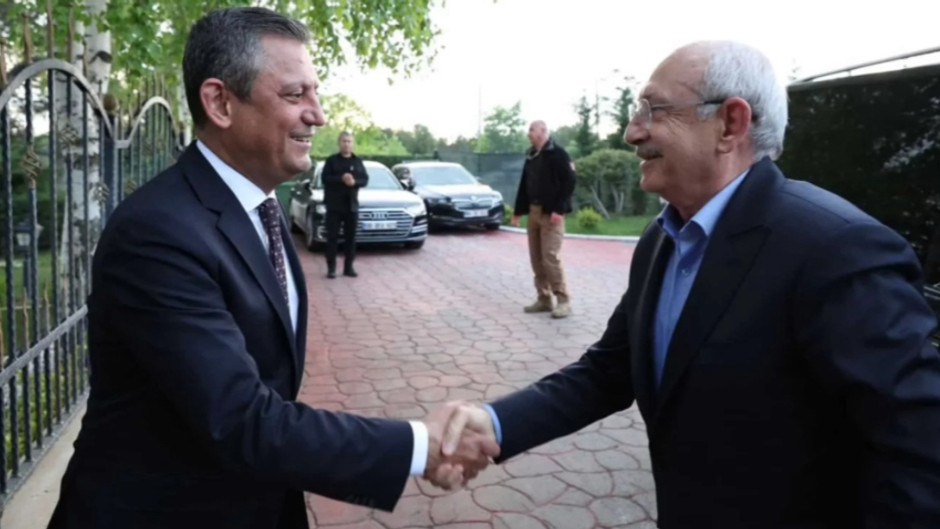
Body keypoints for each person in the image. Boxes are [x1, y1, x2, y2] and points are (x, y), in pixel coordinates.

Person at [442, 40, 940, 528]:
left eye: (653, 110)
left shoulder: (838, 249)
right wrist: (495, 423)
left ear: (730, 123)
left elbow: (917, 458)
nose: (632, 133)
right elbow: (610, 370)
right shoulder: (663, 237)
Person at [47, 8, 496, 529]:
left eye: (315, 93)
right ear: (220, 102)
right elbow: (240, 417)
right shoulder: (156, 233)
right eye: (294, 94)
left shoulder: (260, 203)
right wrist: (419, 446)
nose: (318, 115)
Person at [511, 121, 576, 319]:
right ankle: (544, 298)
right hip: (534, 212)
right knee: (536, 258)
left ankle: (563, 300)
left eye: (532, 129)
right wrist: (518, 211)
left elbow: (569, 181)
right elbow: (525, 184)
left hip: (551, 215)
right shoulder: (532, 155)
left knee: (550, 256)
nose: (529, 133)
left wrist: (559, 209)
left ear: (543, 131)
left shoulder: (558, 154)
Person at [322, 131, 367, 278]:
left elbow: (364, 180)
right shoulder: (331, 161)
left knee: (351, 239)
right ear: (339, 143)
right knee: (332, 238)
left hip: (351, 207)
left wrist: (354, 182)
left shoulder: (357, 161)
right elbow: (325, 179)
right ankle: (331, 269)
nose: (346, 144)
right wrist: (341, 179)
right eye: (344, 141)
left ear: (352, 144)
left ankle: (349, 268)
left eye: (349, 141)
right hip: (334, 206)